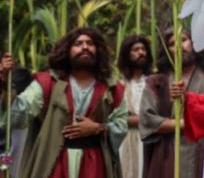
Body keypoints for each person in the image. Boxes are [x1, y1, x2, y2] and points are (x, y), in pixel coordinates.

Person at [1, 27, 128, 178]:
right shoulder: (48, 83)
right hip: (55, 162)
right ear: (67, 50)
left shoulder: (112, 88)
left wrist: (98, 128)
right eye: (78, 43)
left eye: (90, 43)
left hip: (95, 164)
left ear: (98, 50)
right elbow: (18, 114)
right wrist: (6, 83)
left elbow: (121, 125)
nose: (85, 47)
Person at [139, 29, 204, 178]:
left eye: (183, 40)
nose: (178, 46)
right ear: (166, 50)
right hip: (167, 153)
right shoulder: (156, 81)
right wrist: (185, 124)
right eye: (172, 44)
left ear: (193, 43)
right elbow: (147, 119)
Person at [117, 35, 154, 178]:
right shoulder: (118, 85)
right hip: (124, 140)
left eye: (143, 49)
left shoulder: (155, 83)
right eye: (136, 50)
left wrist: (141, 119)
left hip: (152, 139)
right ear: (127, 54)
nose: (141, 52)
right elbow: (112, 118)